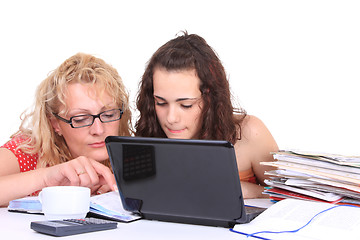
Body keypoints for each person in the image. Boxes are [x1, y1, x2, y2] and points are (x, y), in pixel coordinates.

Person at [135, 32, 278, 198]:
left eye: (186, 105)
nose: (171, 118)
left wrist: (244, 190)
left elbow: (293, 199)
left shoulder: (250, 133)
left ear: (211, 99)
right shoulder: (146, 139)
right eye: (161, 103)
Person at [0, 53, 132, 206]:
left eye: (109, 115)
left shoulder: (133, 156)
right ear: (55, 124)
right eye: (81, 118)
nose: (98, 129)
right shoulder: (29, 152)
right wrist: (45, 178)